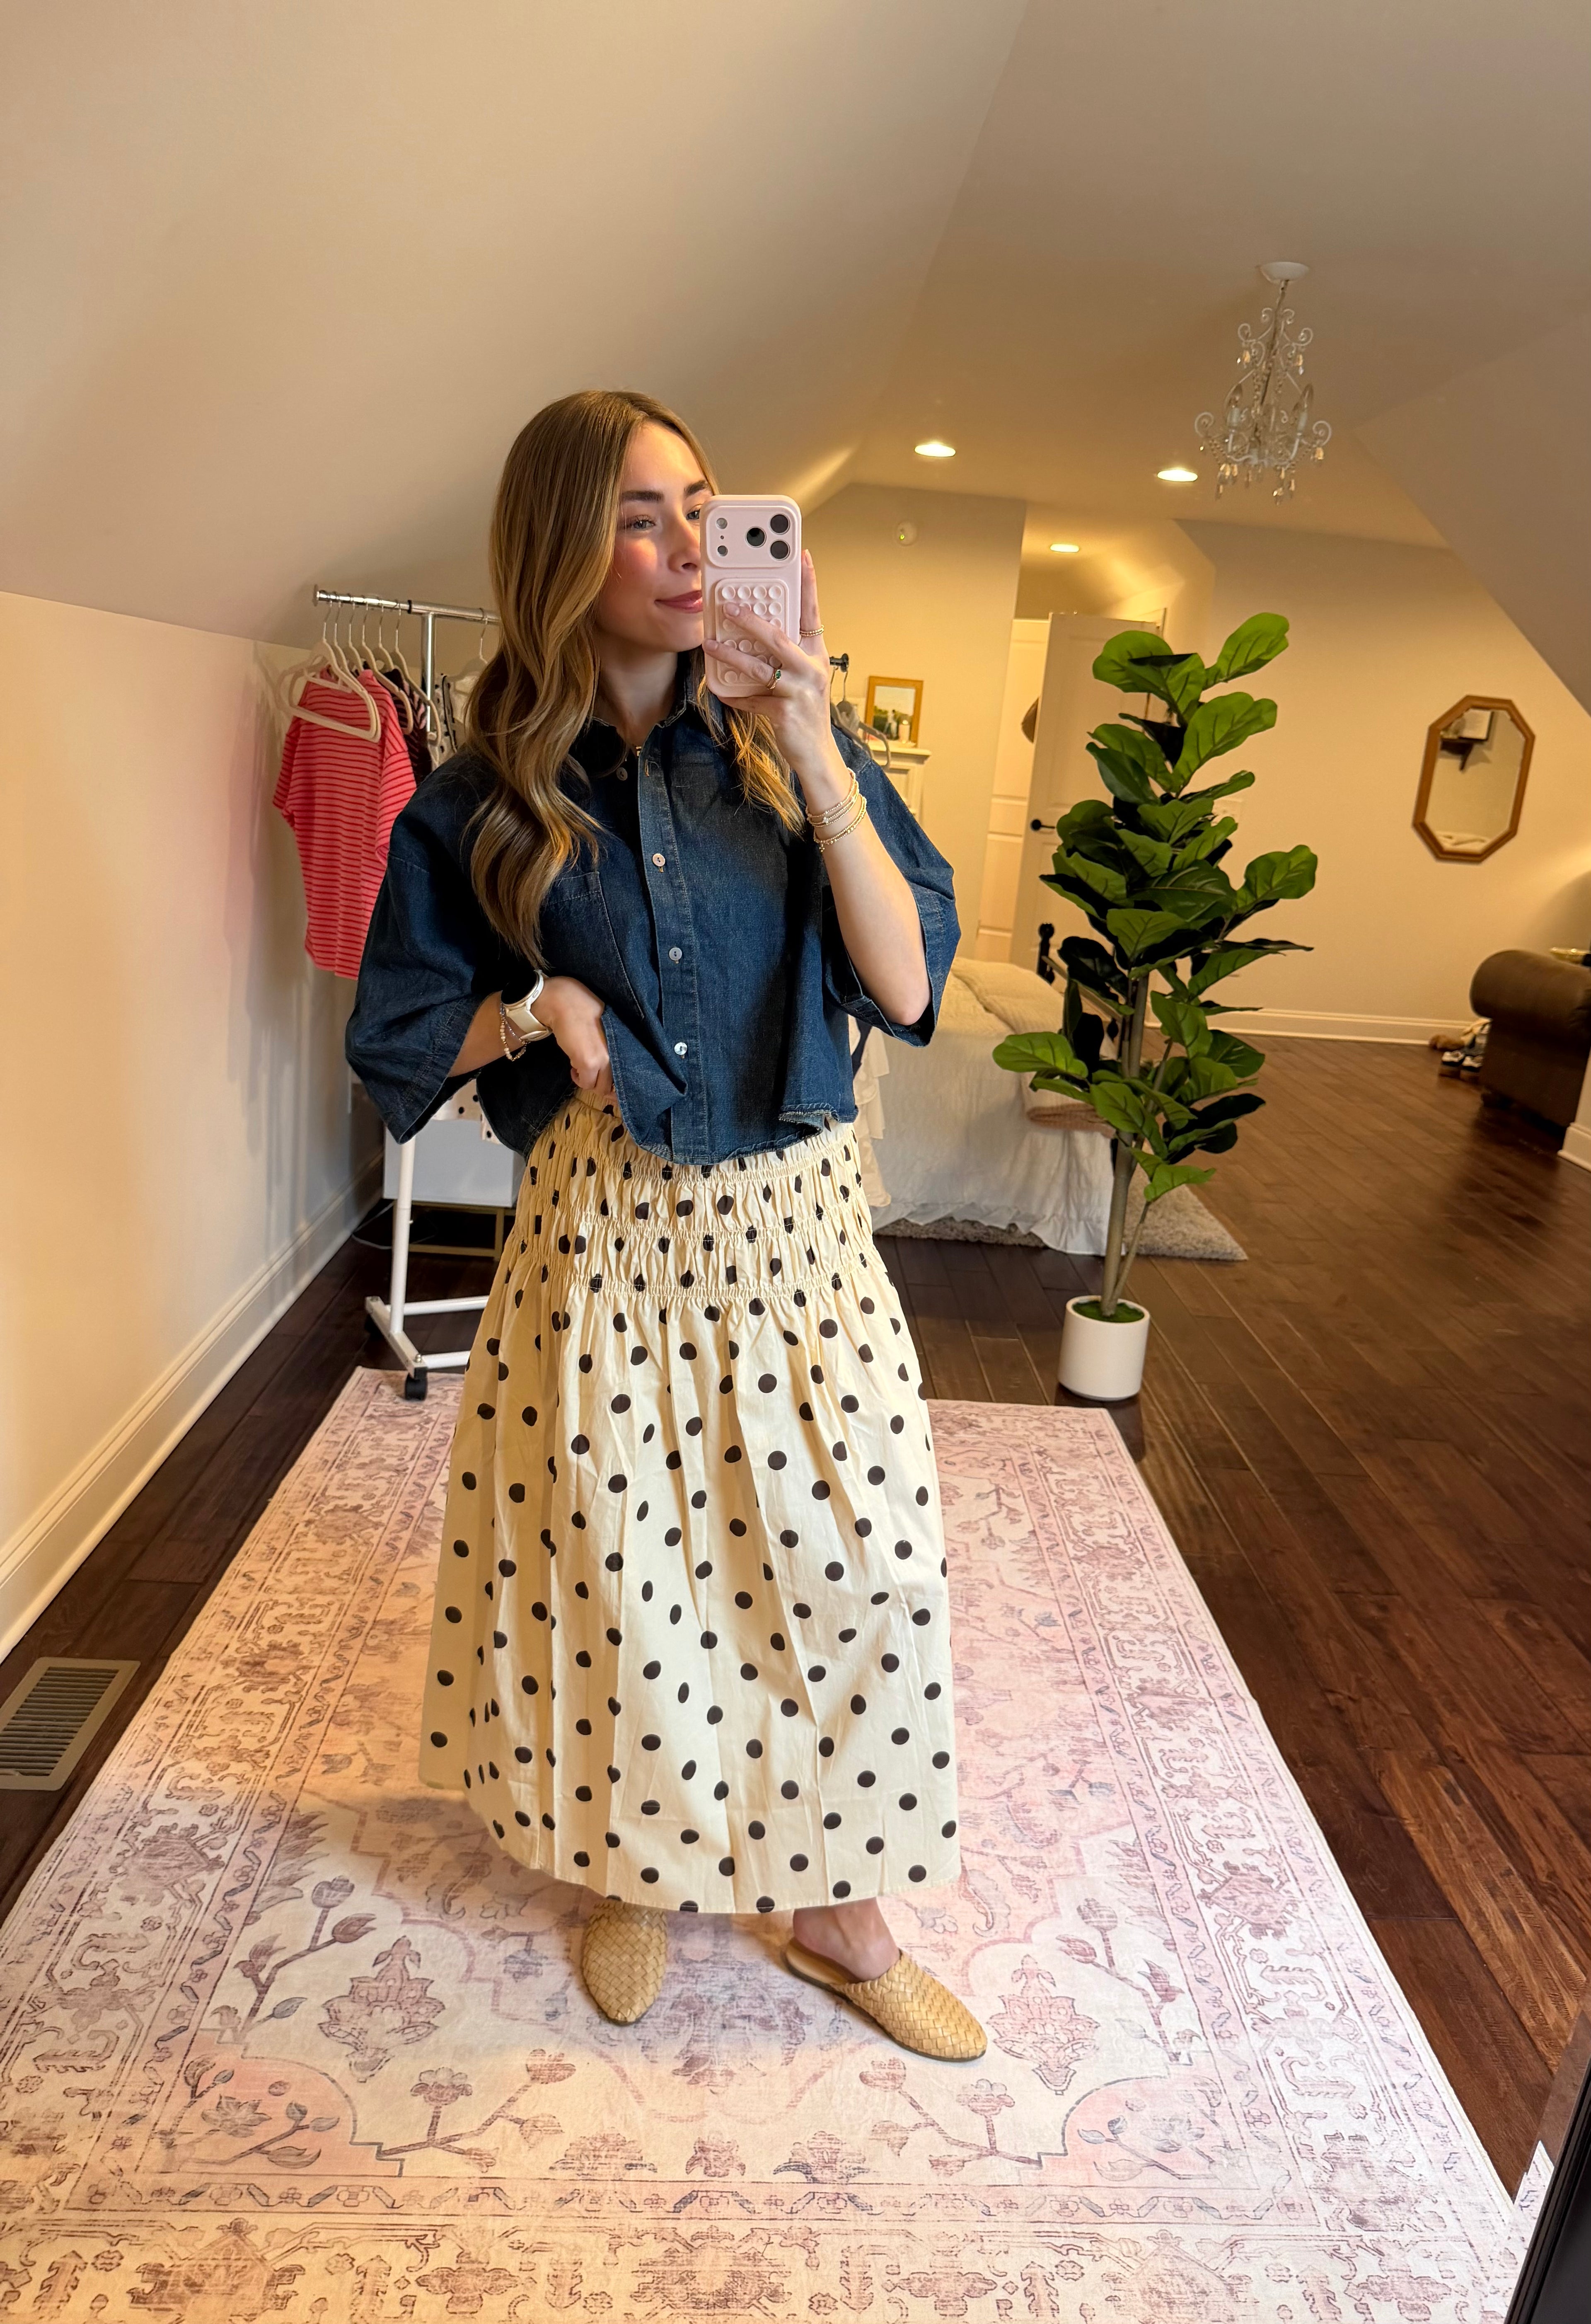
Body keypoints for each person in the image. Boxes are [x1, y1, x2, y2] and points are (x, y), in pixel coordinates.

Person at [346, 390, 983, 2060]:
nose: (694, 543)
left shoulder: (781, 752)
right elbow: (402, 1040)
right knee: (625, 1576)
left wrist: (818, 741)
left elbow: (907, 983)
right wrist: (537, 1000)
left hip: (798, 1225)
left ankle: (842, 1908)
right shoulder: (480, 795)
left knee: (853, 1567)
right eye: (644, 513)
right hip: (605, 1237)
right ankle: (629, 1859)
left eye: (707, 504)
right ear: (564, 545)